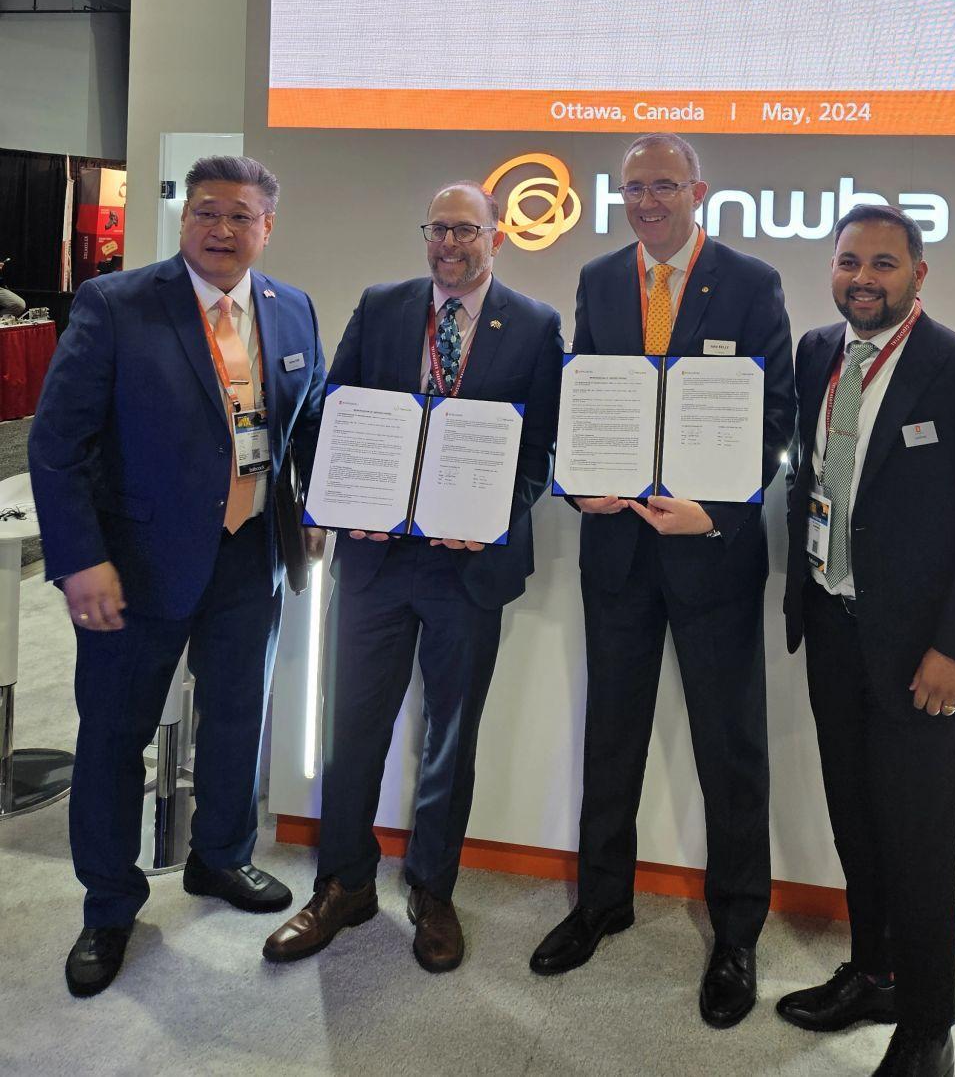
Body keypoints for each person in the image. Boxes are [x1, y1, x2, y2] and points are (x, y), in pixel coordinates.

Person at [28, 155, 326, 997]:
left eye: (240, 216)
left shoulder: (292, 308)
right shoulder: (116, 304)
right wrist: (81, 559)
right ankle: (109, 904)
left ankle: (220, 857)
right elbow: (58, 444)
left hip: (250, 557)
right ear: (184, 218)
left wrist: (316, 504)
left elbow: (309, 421)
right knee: (114, 736)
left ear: (268, 226)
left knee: (236, 720)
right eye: (206, 212)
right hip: (135, 566)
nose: (221, 230)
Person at [529, 134, 794, 1029]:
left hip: (710, 552)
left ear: (698, 191)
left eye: (664, 186)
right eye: (634, 187)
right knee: (611, 736)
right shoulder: (602, 278)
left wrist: (712, 513)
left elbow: (776, 416)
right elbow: (588, 396)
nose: (647, 201)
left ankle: (737, 932)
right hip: (618, 554)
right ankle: (602, 902)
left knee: (731, 748)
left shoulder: (750, 283)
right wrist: (578, 477)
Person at [263, 181, 562, 973]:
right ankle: (343, 884)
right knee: (352, 729)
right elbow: (332, 412)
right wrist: (338, 498)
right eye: (437, 229)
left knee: (449, 742)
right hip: (377, 560)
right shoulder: (382, 305)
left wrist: (491, 515)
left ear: (497, 236)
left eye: (466, 229)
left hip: (470, 566)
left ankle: (433, 890)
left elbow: (538, 450)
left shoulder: (535, 324)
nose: (449, 244)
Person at [778, 203, 955, 1077]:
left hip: (924, 652)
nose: (863, 279)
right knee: (856, 821)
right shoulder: (817, 352)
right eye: (849, 261)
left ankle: (928, 1027)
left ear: (918, 274)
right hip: (833, 625)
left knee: (919, 842)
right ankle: (874, 973)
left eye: (883, 264)